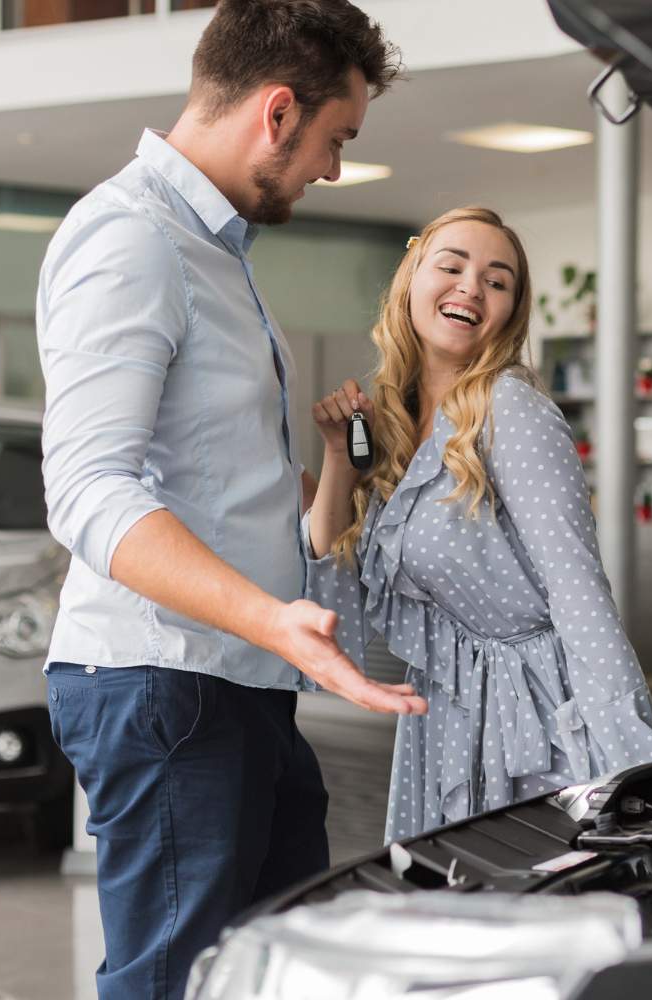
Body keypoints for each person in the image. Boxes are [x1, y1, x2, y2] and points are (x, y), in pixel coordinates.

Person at [36, 4, 425, 998]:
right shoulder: (131, 240)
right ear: (279, 111)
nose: (332, 169)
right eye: (335, 140)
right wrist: (272, 618)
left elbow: (221, 480)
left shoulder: (211, 250)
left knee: (270, 973)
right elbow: (87, 490)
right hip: (170, 684)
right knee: (179, 982)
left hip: (236, 678)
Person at [304, 207, 652, 841]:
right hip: (446, 716)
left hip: (531, 719)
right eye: (452, 266)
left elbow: (578, 592)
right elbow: (332, 579)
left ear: (508, 312)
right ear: (411, 282)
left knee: (527, 911)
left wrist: (634, 764)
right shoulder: (395, 425)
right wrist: (339, 456)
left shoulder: (513, 411)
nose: (472, 287)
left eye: (496, 281)